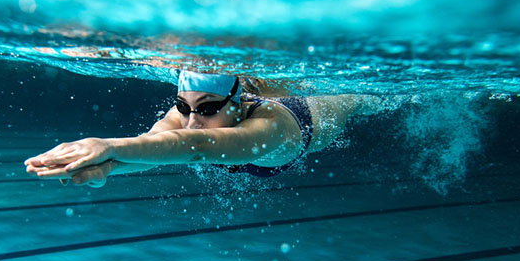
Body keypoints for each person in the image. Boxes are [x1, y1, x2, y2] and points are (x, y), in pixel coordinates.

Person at [24, 70, 370, 187]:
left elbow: (197, 146)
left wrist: (106, 145)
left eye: (206, 109)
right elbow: (153, 147)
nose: (191, 121)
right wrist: (106, 169)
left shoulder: (271, 127)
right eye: (182, 106)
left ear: (238, 104)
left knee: (362, 98)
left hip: (320, 111)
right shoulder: (189, 117)